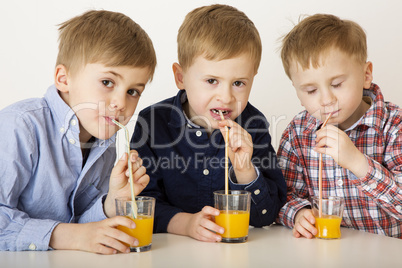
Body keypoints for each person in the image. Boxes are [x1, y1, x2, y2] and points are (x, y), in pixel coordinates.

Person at [0, 10, 157, 253]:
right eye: (107, 82)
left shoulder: (108, 142)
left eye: (133, 91)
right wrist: (65, 236)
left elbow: (83, 228)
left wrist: (112, 202)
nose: (120, 103)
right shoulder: (19, 127)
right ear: (64, 79)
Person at [131, 4, 286, 242]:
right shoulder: (152, 122)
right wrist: (186, 224)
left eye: (239, 83)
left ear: (253, 78)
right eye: (212, 80)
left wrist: (245, 170)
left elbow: (265, 216)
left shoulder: (254, 125)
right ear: (180, 77)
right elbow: (141, 203)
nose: (226, 97)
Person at [276, 14, 402, 238]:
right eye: (311, 91)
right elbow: (283, 195)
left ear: (366, 75)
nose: (326, 99)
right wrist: (298, 213)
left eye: (336, 84)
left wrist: (357, 162)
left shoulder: (394, 125)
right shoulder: (297, 133)